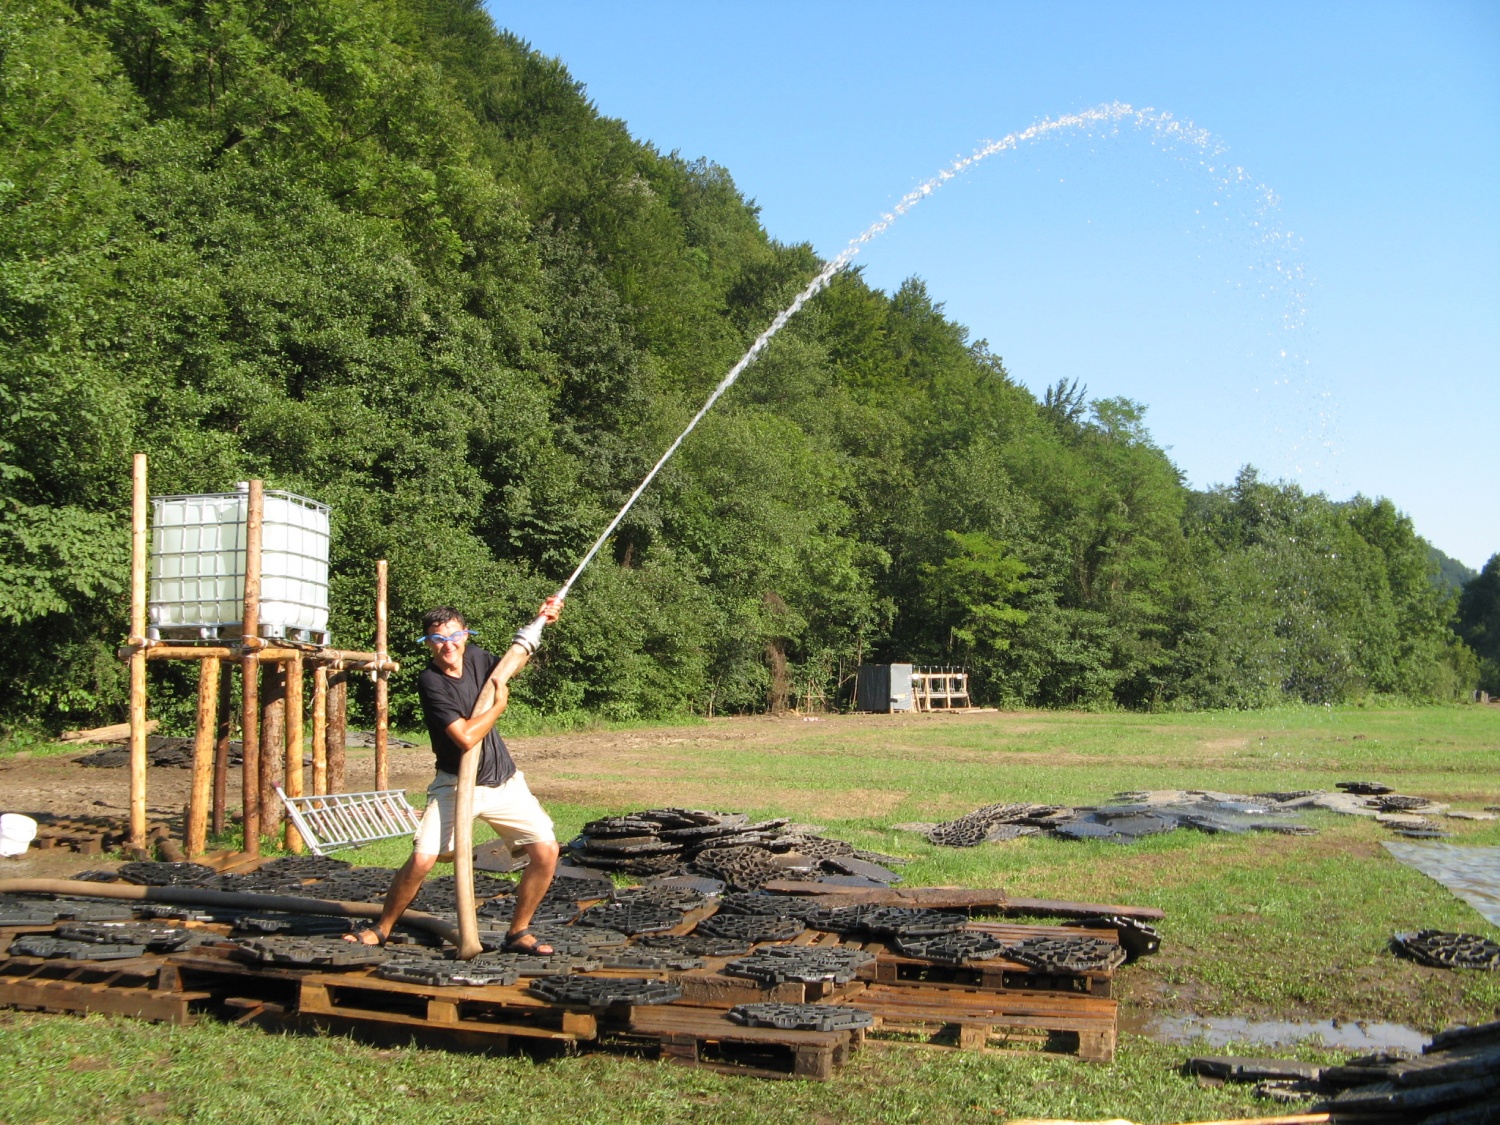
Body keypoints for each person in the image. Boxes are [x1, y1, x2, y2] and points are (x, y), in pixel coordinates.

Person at [346, 599, 562, 951]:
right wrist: (499, 706)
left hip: (503, 782)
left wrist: (540, 622)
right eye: (438, 639)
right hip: (456, 785)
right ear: (428, 643)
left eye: (454, 636)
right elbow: (465, 737)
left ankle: (518, 933)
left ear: (465, 635)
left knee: (546, 851)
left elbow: (510, 666)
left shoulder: (476, 658)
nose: (448, 645)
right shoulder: (431, 682)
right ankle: (382, 928)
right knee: (422, 860)